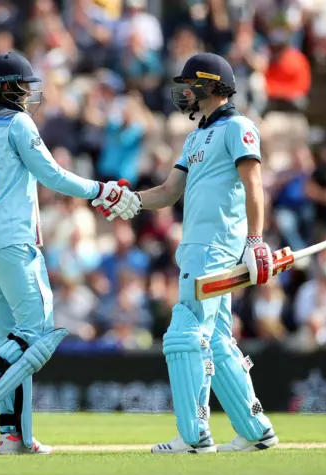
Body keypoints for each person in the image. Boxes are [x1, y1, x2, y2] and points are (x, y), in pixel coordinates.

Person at [0, 52, 139, 455]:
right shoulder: (18, 122)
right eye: (25, 85)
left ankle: (14, 436)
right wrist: (102, 190)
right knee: (38, 335)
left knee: (8, 341)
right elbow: (52, 175)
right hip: (14, 240)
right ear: (9, 87)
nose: (31, 93)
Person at [95, 53, 279, 453]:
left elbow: (254, 184)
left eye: (191, 83)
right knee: (216, 340)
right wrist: (129, 201)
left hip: (215, 246)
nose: (183, 91)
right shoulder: (195, 137)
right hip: (197, 246)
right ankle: (255, 430)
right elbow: (168, 192)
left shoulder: (239, 127)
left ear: (213, 85)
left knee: (184, 333)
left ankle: (194, 436)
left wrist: (255, 240)